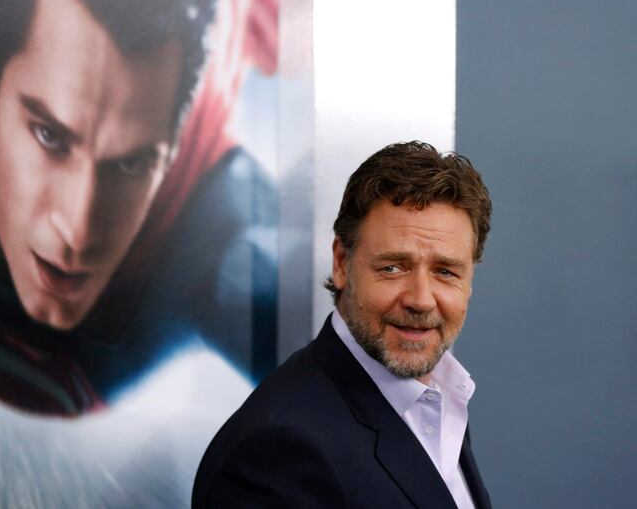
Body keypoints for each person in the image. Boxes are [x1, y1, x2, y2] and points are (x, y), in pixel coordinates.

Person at [0, 0, 278, 415]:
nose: (79, 229)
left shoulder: (223, 234)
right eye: (50, 136)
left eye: (129, 164)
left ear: (172, 146)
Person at [193, 140, 493, 508]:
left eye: (445, 272)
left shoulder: (439, 402)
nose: (420, 299)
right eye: (392, 267)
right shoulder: (276, 453)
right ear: (341, 263)